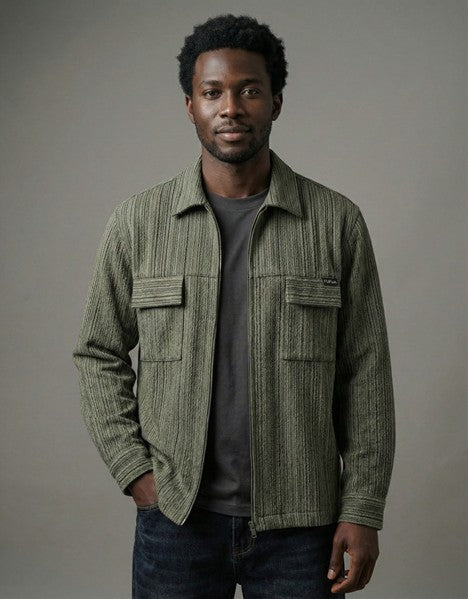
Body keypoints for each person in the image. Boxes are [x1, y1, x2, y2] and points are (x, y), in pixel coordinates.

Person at [72, 13, 396, 598]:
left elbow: (366, 373)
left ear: (276, 102)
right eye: (212, 92)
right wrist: (134, 471)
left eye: (249, 90)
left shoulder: (336, 222)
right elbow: (98, 352)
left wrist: (363, 508)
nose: (230, 108)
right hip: (177, 519)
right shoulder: (138, 224)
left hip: (303, 525)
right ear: (190, 106)